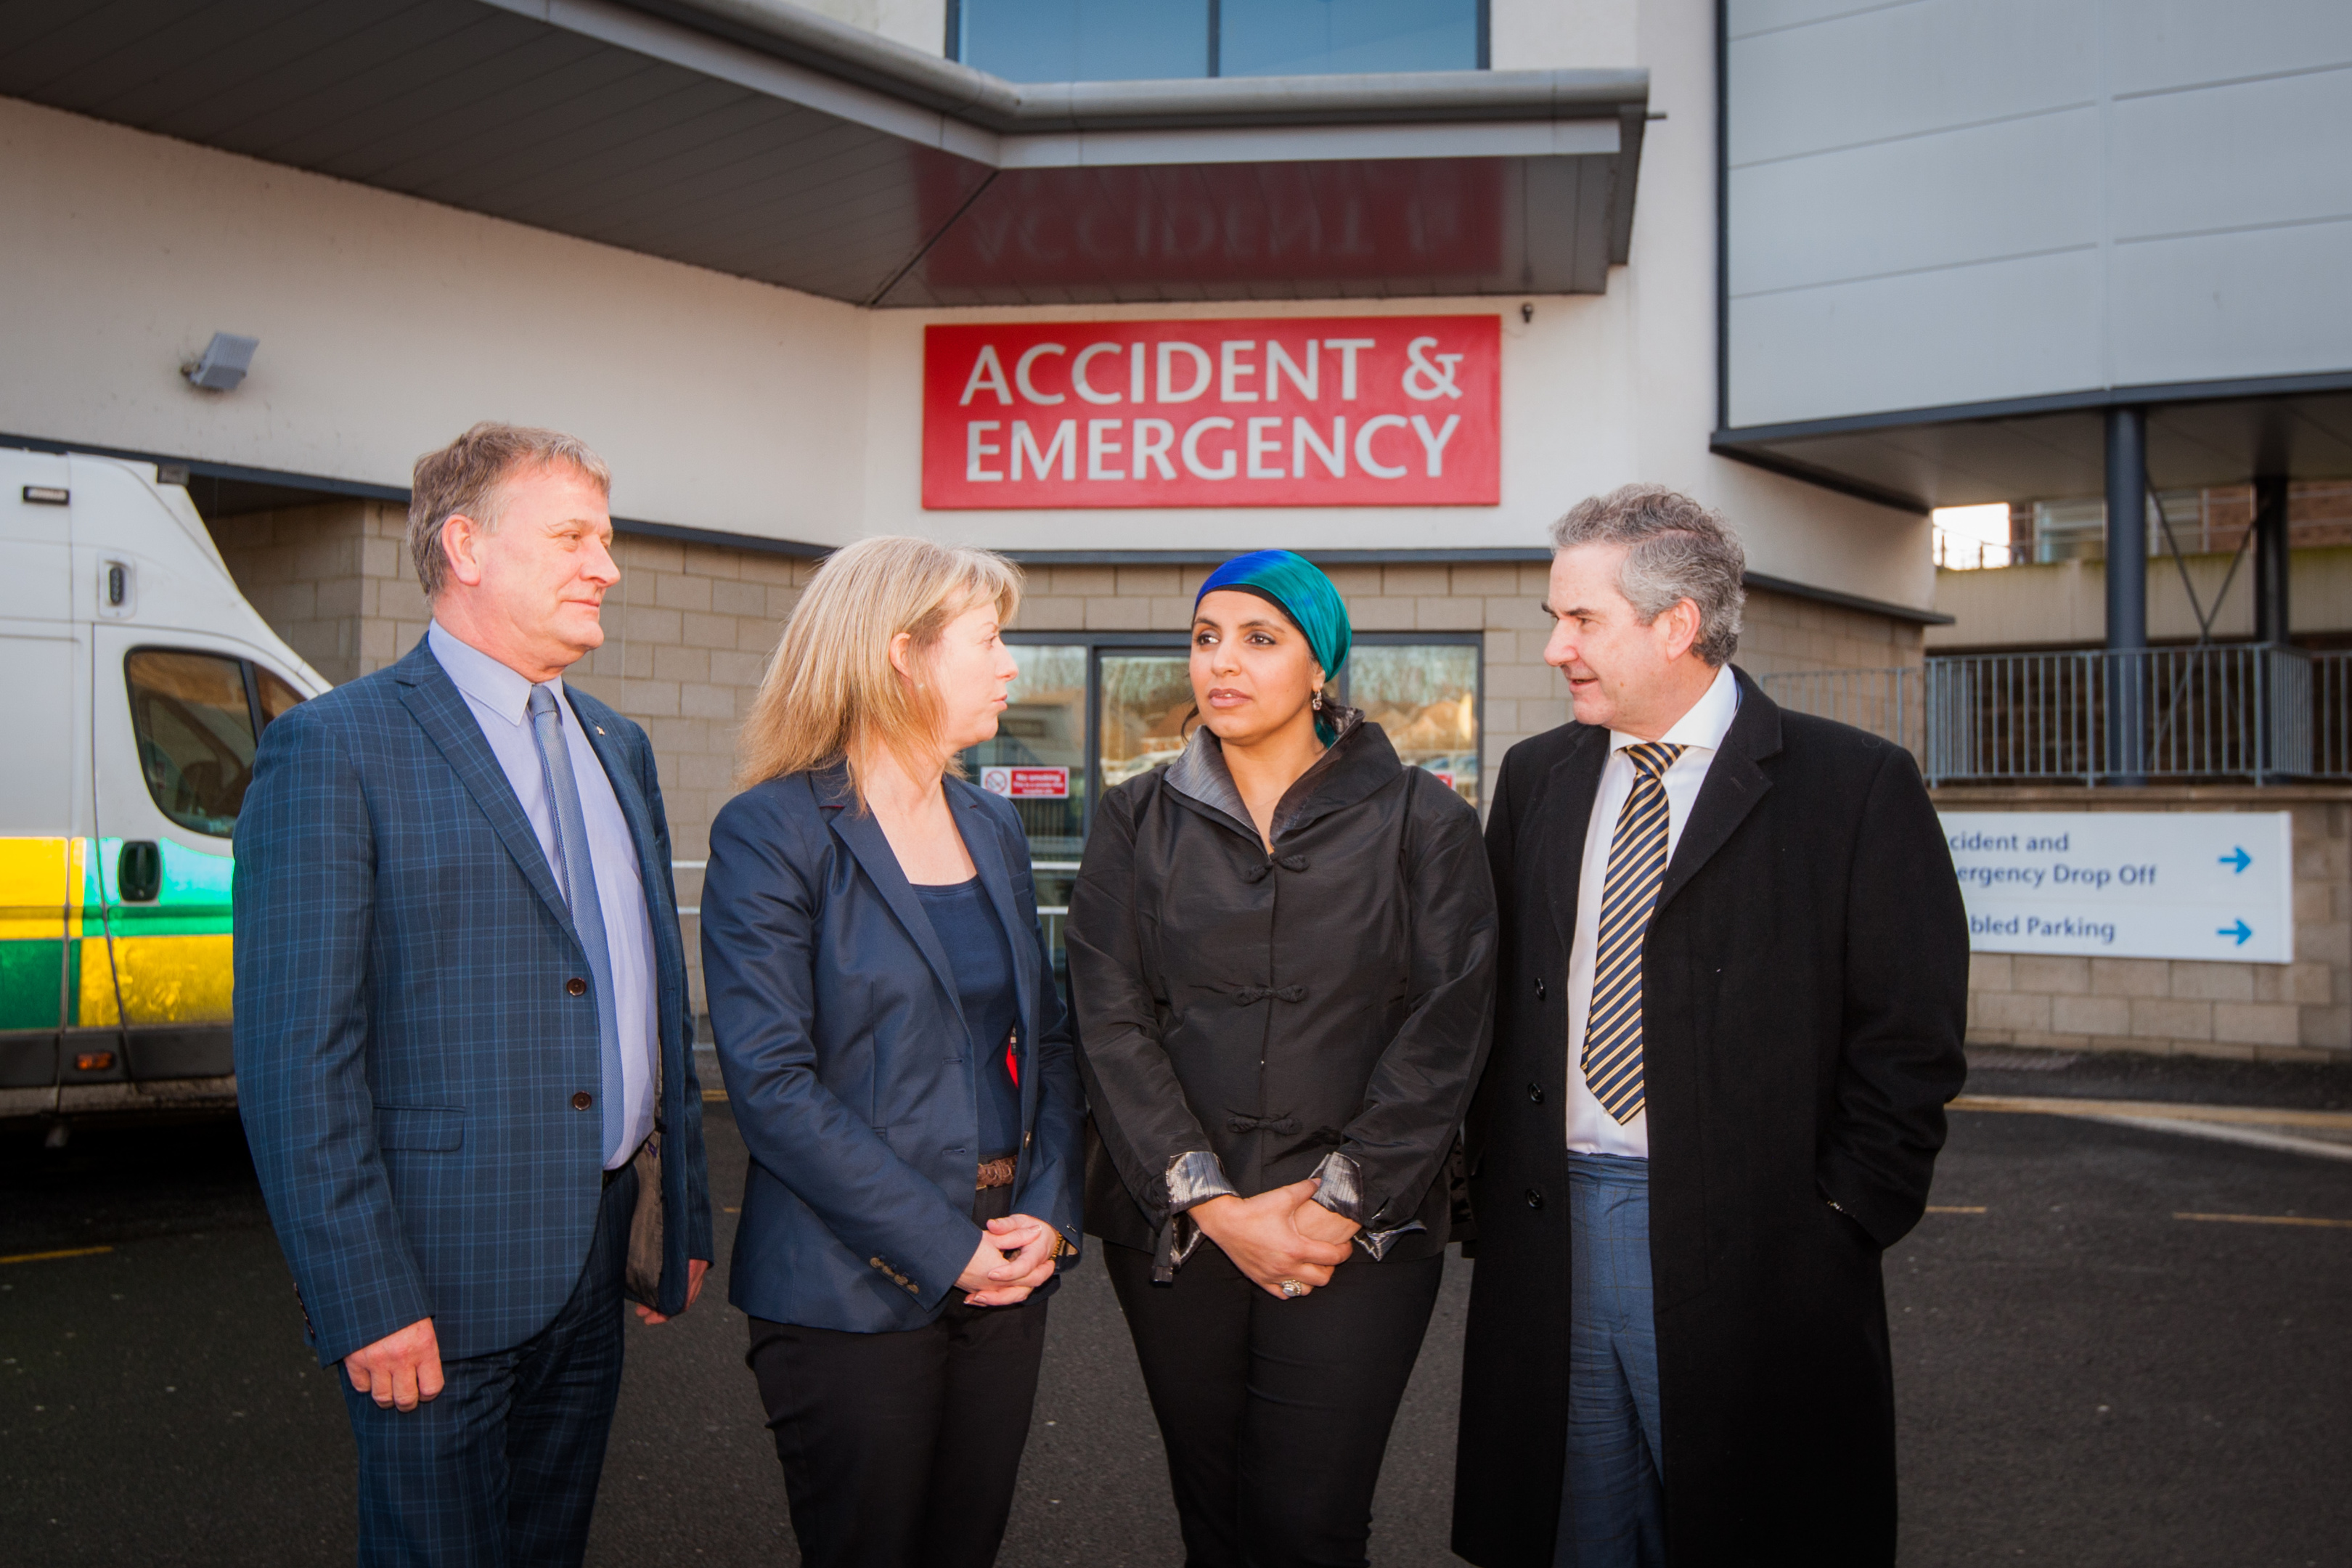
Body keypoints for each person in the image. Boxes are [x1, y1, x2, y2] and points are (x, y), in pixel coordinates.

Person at [1449, 486, 1969, 1567]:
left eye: (1581, 620)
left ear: (1676, 624)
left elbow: (1910, 1038)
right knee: (1578, 1530)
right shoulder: (1537, 777)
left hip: (1761, 1247)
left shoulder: (1854, 785)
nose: (1556, 648)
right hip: (1555, 1231)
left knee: (1757, 1528)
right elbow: (1498, 1001)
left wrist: (1844, 1213)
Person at [234, 422, 713, 1566]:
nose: (608, 567)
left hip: (596, 1260)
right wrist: (365, 1299)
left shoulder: (619, 744)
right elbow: (299, 1063)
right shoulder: (334, 748)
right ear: (467, 547)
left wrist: (672, 1214)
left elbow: (642, 988)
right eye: (574, 537)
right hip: (433, 1284)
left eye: (607, 539)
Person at [1066, 548, 1498, 1568]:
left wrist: (1334, 1204)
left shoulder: (1424, 820)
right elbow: (1109, 1018)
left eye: (1261, 640)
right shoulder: (1134, 820)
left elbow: (1446, 1029)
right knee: (1214, 1521)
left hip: (1357, 1238)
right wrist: (1210, 1202)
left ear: (1320, 669)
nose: (1224, 662)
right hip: (1179, 1231)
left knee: (1311, 1526)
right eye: (1207, 637)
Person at [698, 535, 1085, 1568]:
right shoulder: (771, 832)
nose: (1012, 665)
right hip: (845, 1290)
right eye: (990, 640)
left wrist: (1046, 1213)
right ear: (899, 655)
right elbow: (773, 1086)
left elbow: (1047, 1037)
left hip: (1005, 1273)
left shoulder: (992, 824)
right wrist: (942, 1247)